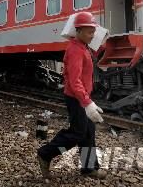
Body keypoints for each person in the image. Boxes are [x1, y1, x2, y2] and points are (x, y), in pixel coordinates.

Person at [37, 12, 106, 179]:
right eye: (90, 32)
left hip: (82, 96)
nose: (93, 35)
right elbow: (75, 82)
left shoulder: (83, 47)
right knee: (77, 133)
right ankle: (45, 154)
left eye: (93, 31)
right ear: (79, 30)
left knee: (88, 132)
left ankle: (89, 168)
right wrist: (87, 103)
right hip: (76, 98)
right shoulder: (75, 50)